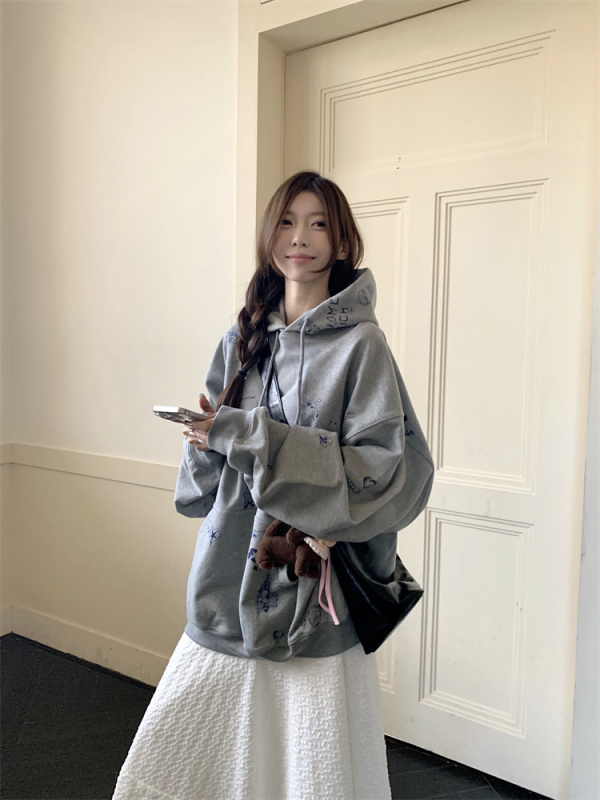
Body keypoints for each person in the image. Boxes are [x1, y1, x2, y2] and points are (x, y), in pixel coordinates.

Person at [112, 171, 434, 800]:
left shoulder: (362, 345)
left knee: (310, 763)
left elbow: (380, 468)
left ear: (342, 241)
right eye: (287, 222)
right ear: (269, 235)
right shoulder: (239, 342)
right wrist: (205, 441)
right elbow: (202, 491)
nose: (300, 238)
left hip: (312, 593)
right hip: (227, 574)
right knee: (195, 750)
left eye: (318, 224)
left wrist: (245, 434)